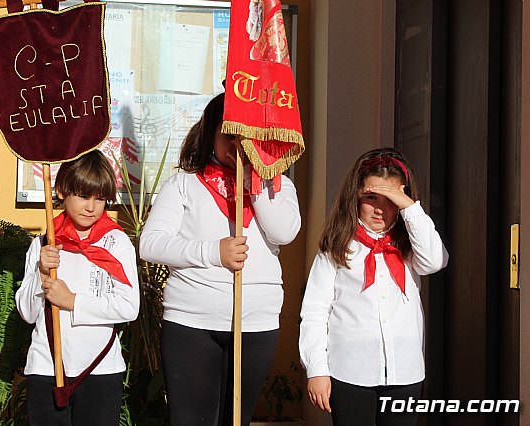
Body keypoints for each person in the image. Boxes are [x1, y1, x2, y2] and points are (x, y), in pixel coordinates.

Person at [139, 92, 301, 426]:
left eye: (248, 135)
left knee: (236, 420)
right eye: (230, 134)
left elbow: (283, 233)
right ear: (210, 132)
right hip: (191, 324)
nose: (239, 143)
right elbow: (150, 244)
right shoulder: (184, 183)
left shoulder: (278, 185)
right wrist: (213, 252)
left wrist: (254, 181)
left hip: (255, 324)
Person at [299, 147, 448, 426]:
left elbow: (435, 261)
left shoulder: (411, 245)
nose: (380, 208)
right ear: (355, 197)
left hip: (405, 371)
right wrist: (316, 370)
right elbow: (315, 312)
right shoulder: (337, 246)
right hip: (350, 372)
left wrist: (409, 207)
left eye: (390, 199)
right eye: (371, 198)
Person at [15, 150, 139, 426]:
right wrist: (41, 271)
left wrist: (72, 301)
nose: (91, 207)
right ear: (61, 190)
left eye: (100, 198)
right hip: (48, 366)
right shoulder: (44, 242)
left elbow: (129, 307)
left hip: (100, 368)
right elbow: (26, 311)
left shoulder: (116, 243)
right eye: (83, 196)